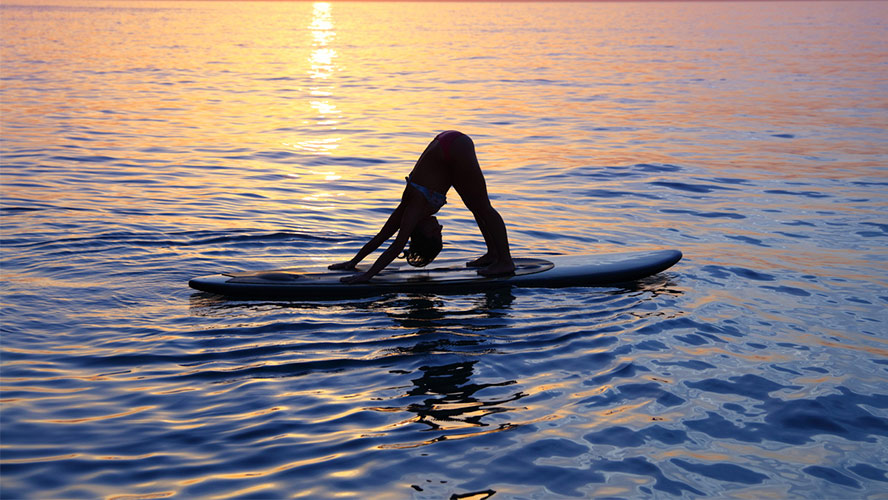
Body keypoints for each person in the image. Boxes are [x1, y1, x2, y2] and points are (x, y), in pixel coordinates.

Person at [329, 131, 515, 284]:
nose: (440, 227)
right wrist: (353, 262)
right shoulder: (407, 211)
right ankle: (493, 254)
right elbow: (381, 236)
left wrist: (366, 275)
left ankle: (505, 261)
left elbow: (395, 245)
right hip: (448, 148)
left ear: (421, 233)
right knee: (477, 208)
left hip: (453, 148)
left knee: (483, 208)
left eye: (436, 233)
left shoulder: (412, 211)